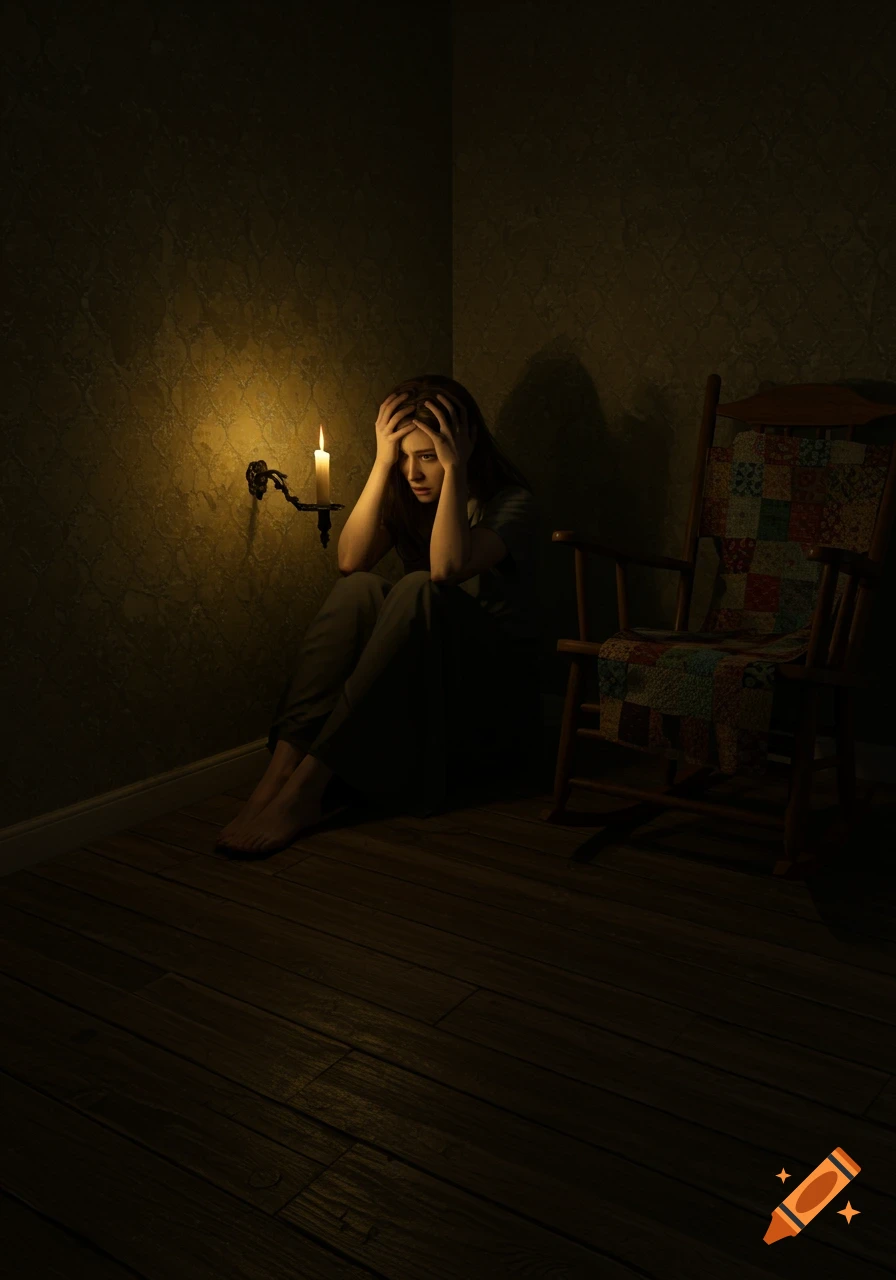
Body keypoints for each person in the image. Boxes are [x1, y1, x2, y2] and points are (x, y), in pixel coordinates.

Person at [217, 374, 544, 858]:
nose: (413, 474)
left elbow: (447, 568)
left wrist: (454, 471)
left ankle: (308, 787)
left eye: (427, 456)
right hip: (429, 678)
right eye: (405, 457)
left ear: (464, 445)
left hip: (490, 692)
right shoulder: (408, 493)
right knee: (360, 589)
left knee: (420, 587)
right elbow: (349, 560)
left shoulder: (512, 504)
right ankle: (278, 775)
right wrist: (381, 460)